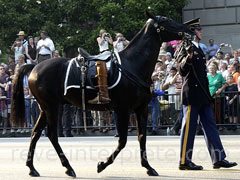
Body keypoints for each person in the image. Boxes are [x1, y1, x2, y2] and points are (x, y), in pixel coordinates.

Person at [178, 18, 237, 170]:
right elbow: (182, 70)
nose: (201, 31)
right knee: (189, 129)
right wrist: (188, 58)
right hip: (192, 94)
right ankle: (184, 160)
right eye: (198, 29)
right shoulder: (185, 47)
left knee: (211, 126)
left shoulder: (198, 48)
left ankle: (218, 158)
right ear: (192, 32)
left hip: (203, 94)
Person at [88, 29, 112, 104]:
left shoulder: (107, 38)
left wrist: (109, 37)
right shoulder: (99, 38)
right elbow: (100, 43)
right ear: (101, 34)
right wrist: (102, 37)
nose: (105, 34)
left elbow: (111, 43)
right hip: (102, 54)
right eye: (103, 33)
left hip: (108, 52)